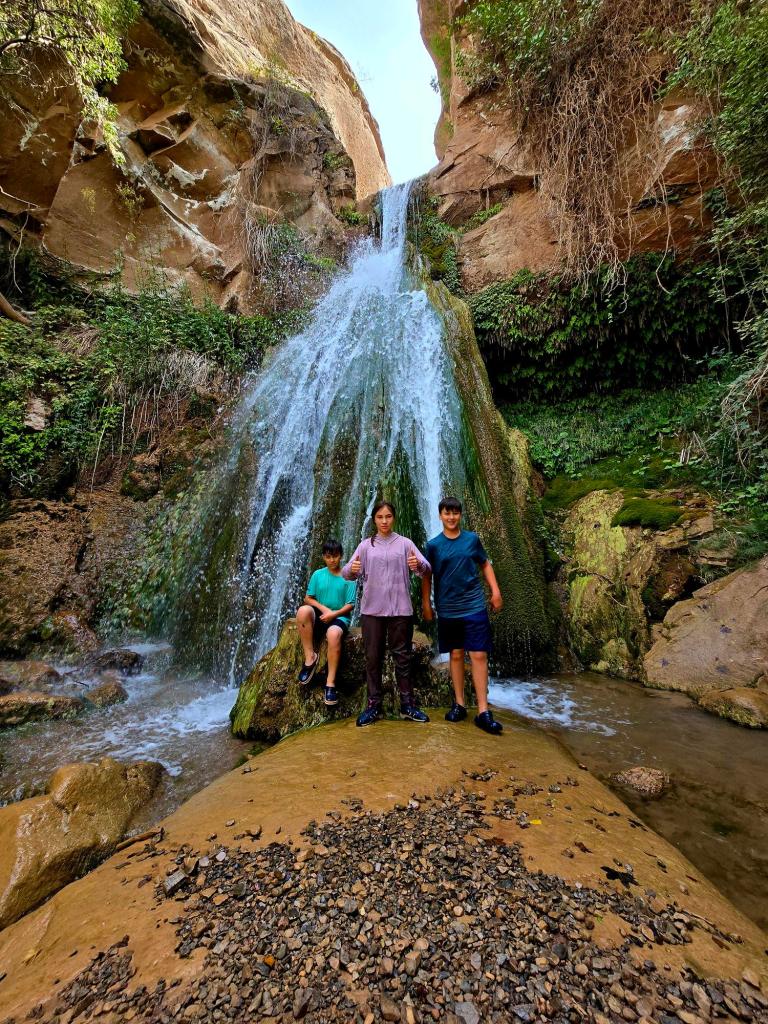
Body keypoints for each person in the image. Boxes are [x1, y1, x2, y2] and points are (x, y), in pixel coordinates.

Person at [342, 501, 431, 726]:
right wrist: (352, 569)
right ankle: (373, 705)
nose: (384, 521)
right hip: (372, 610)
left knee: (403, 657)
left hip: (401, 609)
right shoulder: (365, 546)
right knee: (373, 657)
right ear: (374, 519)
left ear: (394, 518)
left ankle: (407, 705)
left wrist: (417, 565)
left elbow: (427, 568)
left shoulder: (405, 543)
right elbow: (346, 573)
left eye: (388, 516)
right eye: (380, 517)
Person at [422, 496, 504, 735]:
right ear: (440, 516)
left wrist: (495, 591)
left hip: (474, 605)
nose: (451, 517)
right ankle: (459, 704)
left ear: (460, 515)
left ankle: (483, 711)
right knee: (456, 654)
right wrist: (426, 604)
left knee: (479, 654)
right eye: (447, 513)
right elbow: (426, 575)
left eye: (455, 513)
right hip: (448, 608)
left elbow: (485, 564)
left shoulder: (471, 539)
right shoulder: (433, 545)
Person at [296, 538, 357, 706]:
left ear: (341, 556)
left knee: (333, 633)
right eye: (328, 557)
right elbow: (308, 598)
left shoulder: (349, 577)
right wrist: (325, 610)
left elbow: (350, 604)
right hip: (322, 615)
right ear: (323, 557)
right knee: (303, 611)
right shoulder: (318, 574)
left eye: (335, 556)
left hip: (339, 617)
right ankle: (310, 658)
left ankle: (330, 684)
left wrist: (333, 614)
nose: (332, 560)